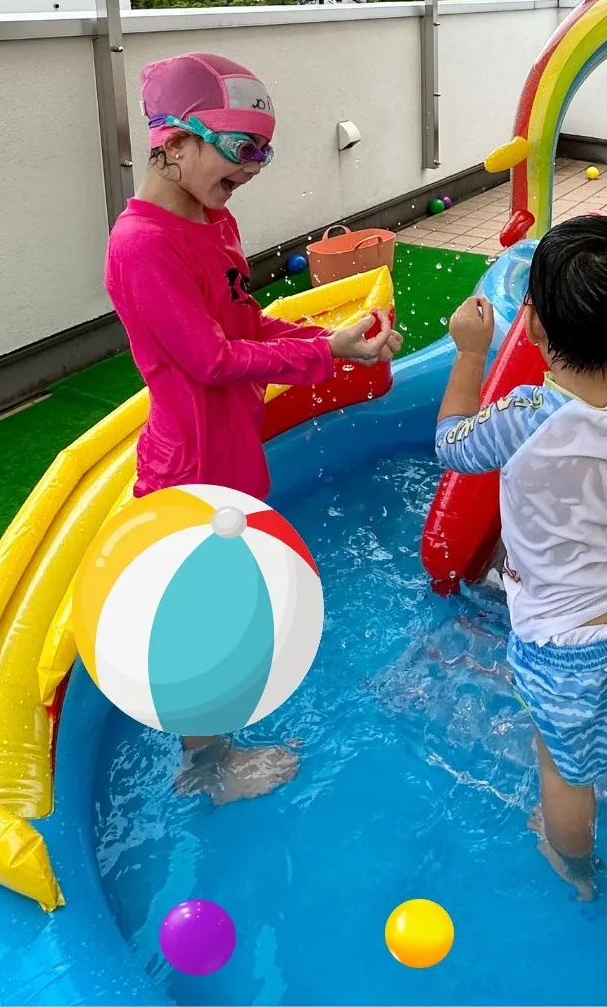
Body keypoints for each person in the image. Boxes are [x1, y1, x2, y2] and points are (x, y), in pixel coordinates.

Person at [105, 52, 402, 805]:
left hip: (234, 445)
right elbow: (208, 358)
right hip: (190, 462)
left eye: (262, 152)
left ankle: (213, 743)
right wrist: (318, 350)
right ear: (171, 144)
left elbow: (241, 322)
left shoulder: (214, 220)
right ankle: (206, 769)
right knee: (201, 619)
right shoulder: (143, 246)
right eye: (239, 151)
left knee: (232, 601)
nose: (254, 168)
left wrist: (331, 341)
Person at [434, 216, 607, 899]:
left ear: (537, 326)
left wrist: (470, 353)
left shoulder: (523, 417)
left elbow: (453, 445)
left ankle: (574, 866)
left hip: (564, 646)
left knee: (566, 768)